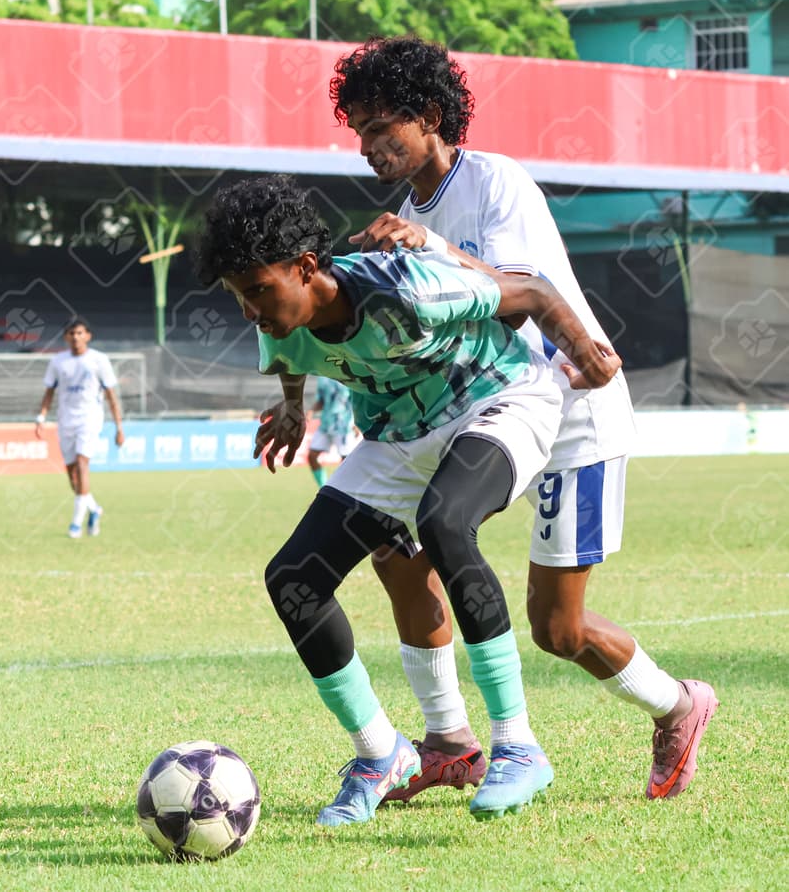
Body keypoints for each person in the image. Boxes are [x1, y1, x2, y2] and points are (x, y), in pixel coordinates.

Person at [329, 35, 718, 803]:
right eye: (360, 133)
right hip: (486, 413)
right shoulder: (403, 217)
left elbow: (521, 290)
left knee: (557, 631)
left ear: (431, 116)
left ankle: (679, 704)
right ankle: (449, 742)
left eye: (384, 128)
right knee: (396, 544)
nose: (370, 147)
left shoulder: (494, 182)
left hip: (572, 414)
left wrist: (429, 247)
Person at [192, 174, 621, 825]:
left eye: (257, 291)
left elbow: (530, 290)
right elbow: (286, 356)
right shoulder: (277, 319)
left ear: (307, 268)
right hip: (400, 431)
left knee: (445, 522)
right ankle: (379, 755)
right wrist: (288, 411)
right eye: (238, 296)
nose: (250, 310)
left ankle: (516, 746)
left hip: (500, 397)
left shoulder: (405, 284)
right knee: (293, 579)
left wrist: (583, 351)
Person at [35, 316, 125, 538]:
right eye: (71, 334)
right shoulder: (58, 361)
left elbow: (111, 396)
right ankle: (94, 509)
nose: (76, 337)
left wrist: (119, 427)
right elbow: (49, 392)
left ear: (88, 336)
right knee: (72, 476)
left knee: (83, 463)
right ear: (66, 337)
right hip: (66, 420)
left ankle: (75, 524)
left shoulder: (99, 360)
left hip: (90, 418)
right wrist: (41, 418)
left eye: (80, 333)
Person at [307, 376, 356, 486]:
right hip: (325, 424)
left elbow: (357, 400)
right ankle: (323, 488)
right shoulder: (322, 377)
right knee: (312, 456)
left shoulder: (347, 374)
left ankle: (345, 491)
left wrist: (357, 422)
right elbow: (321, 401)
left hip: (343, 426)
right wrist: (311, 411)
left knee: (346, 462)